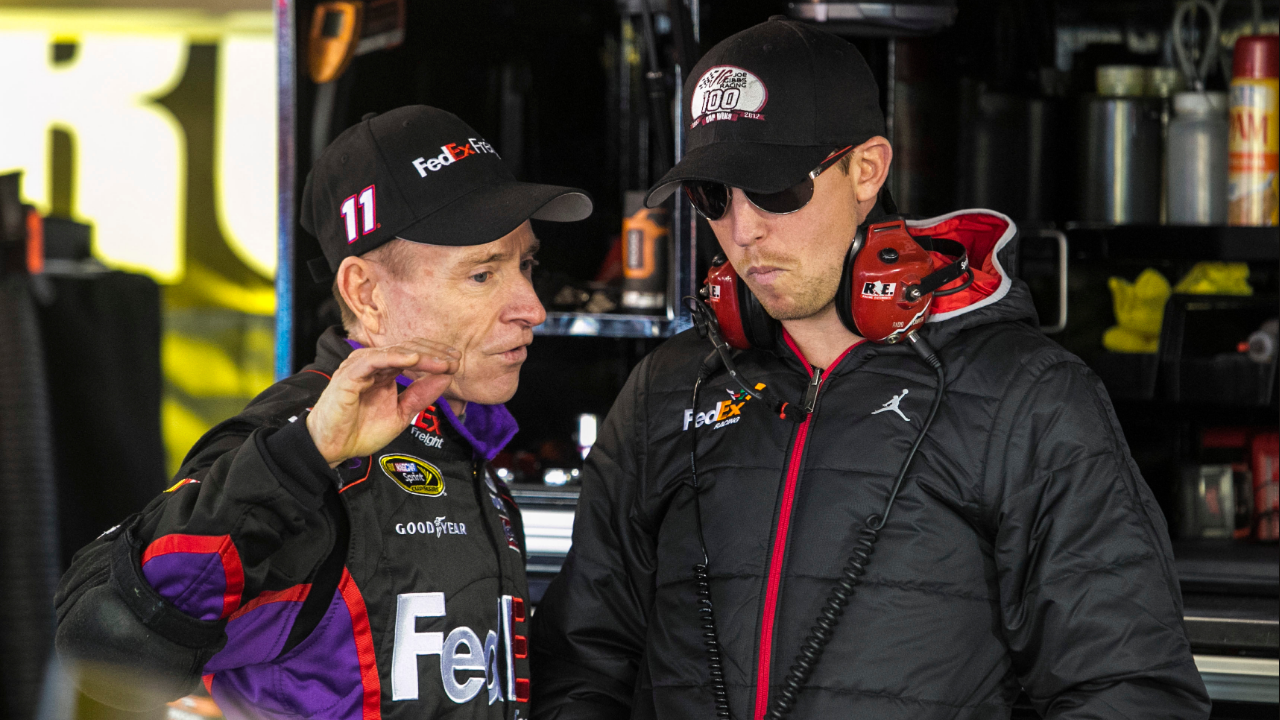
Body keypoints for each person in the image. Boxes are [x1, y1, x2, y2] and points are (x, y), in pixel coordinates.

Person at [530, 18, 1209, 720]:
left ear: (866, 169)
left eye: (775, 188)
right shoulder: (668, 391)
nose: (744, 230)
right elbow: (583, 664)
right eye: (713, 196)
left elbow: (1131, 691)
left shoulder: (1028, 398)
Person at [54, 105, 591, 720]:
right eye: (482, 274)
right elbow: (109, 648)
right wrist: (300, 457)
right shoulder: (301, 445)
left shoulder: (456, 439)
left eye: (526, 265)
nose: (532, 307)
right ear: (366, 293)